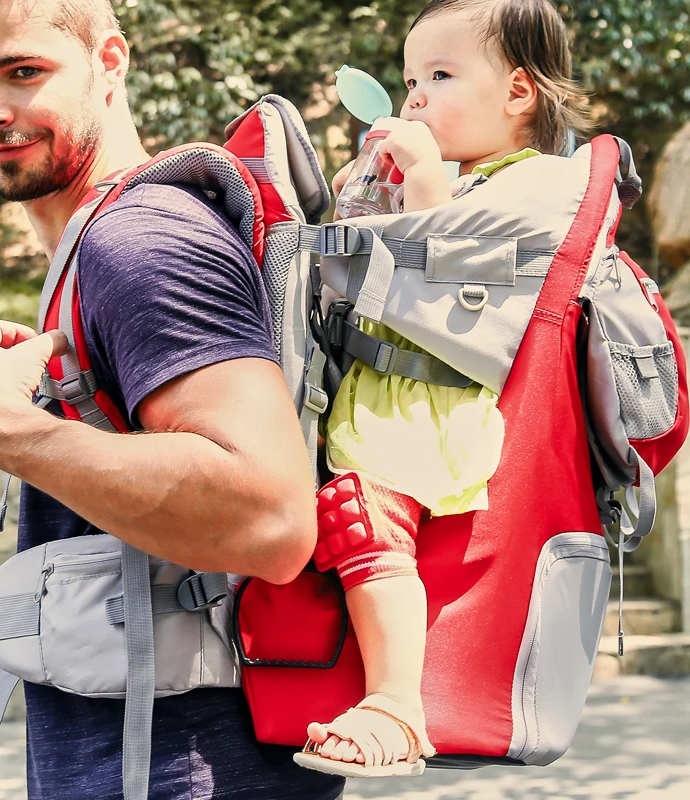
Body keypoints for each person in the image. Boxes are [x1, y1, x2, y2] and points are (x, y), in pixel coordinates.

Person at [0, 0, 346, 798]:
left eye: (22, 72)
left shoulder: (140, 242)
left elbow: (273, 521)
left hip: (182, 769)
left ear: (109, 62)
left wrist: (8, 433)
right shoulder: (100, 240)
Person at [294, 0, 595, 778]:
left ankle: (397, 707)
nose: (415, 95)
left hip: (431, 410)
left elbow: (444, 279)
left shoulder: (534, 186)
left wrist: (423, 185)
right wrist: (366, 195)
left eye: (439, 75)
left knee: (364, 524)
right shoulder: (469, 178)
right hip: (378, 396)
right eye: (406, 79)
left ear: (518, 92)